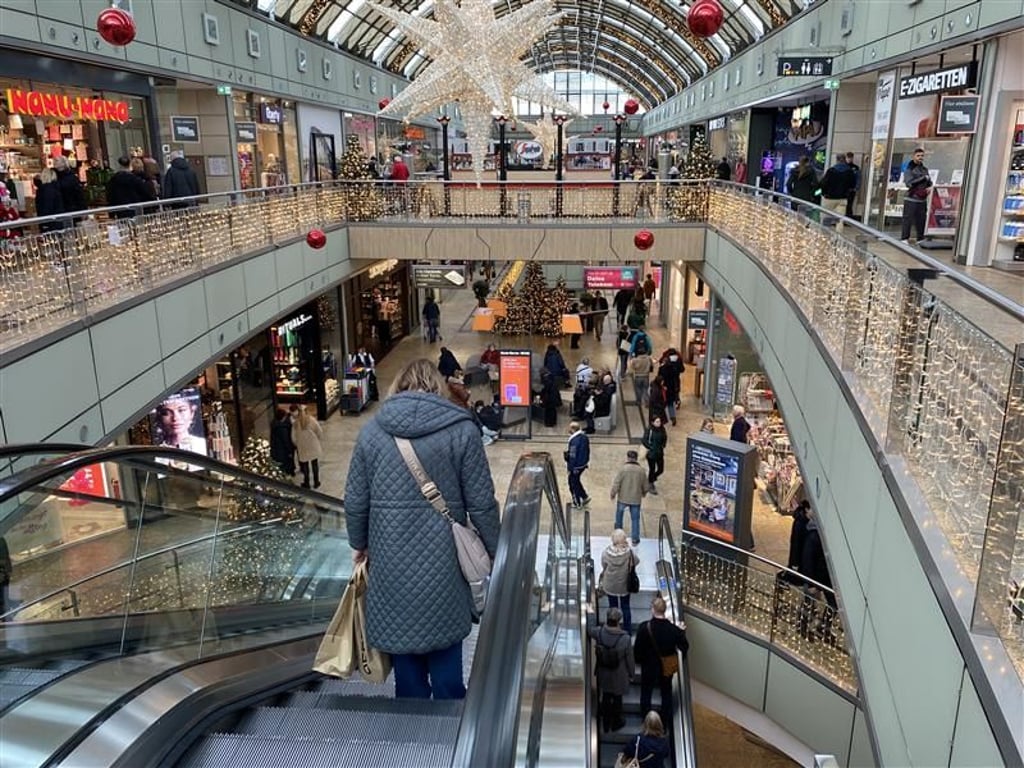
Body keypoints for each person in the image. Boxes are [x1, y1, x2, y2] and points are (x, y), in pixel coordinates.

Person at [345, 359, 500, 700]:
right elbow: (481, 503)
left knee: (405, 652)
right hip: (444, 562)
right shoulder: (462, 430)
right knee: (445, 649)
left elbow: (355, 500)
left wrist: (360, 543)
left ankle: (412, 716)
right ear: (438, 387)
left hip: (390, 562)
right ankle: (450, 715)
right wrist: (495, 547)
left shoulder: (372, 432)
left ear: (398, 386)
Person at [634, 596, 689, 724]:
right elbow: (684, 647)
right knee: (666, 692)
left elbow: (637, 649)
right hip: (666, 667)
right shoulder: (674, 630)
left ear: (653, 609)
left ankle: (646, 719)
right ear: (664, 610)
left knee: (646, 692)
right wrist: (681, 634)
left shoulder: (644, 627)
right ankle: (664, 721)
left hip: (649, 667)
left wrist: (639, 660)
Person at [589, 606, 634, 733]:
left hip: (603, 672)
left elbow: (589, 629)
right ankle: (616, 722)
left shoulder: (599, 633)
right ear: (619, 621)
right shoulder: (625, 638)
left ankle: (605, 723)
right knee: (618, 698)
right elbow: (630, 659)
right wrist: (631, 674)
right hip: (619, 674)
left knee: (606, 696)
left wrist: (590, 612)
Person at [600, 529, 639, 632]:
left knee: (612, 607)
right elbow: (636, 561)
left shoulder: (606, 553)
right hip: (624, 585)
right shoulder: (629, 553)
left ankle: (612, 629)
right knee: (625, 607)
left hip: (611, 585)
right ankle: (627, 631)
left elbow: (604, 565)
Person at [610, 452, 649, 546]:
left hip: (623, 498)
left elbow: (617, 483)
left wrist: (613, 493)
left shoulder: (623, 469)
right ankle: (635, 539)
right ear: (636, 458)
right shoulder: (641, 471)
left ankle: (617, 537)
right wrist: (644, 493)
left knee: (619, 518)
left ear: (628, 458)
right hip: (636, 499)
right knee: (635, 519)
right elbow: (646, 486)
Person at [817, 153, 856, 233]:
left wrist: (823, 193)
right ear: (845, 160)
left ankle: (825, 235)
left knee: (826, 218)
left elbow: (823, 184)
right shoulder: (850, 171)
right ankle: (838, 237)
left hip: (829, 198)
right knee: (840, 220)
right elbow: (853, 185)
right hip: (842, 199)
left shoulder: (831, 171)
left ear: (837, 160)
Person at [901, 147, 932, 245]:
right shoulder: (909, 169)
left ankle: (920, 238)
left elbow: (929, 182)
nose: (920, 157)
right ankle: (904, 238)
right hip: (911, 198)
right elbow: (909, 183)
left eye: (922, 156)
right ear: (913, 156)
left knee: (921, 219)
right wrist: (923, 178)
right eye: (918, 156)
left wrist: (929, 186)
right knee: (908, 219)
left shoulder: (924, 169)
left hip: (922, 199)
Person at [291, 404, 323, 489]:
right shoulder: (312, 420)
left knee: (305, 465)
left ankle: (307, 482)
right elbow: (319, 431)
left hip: (302, 447)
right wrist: (317, 439)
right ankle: (316, 482)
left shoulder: (296, 423)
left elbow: (293, 437)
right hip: (313, 445)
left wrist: (297, 444)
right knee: (314, 464)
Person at [565, 421, 591, 508]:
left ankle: (577, 502)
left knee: (572, 483)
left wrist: (570, 468)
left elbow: (573, 456)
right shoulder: (584, 437)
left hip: (576, 466)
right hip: (583, 464)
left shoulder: (574, 441)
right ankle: (584, 496)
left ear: (573, 429)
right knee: (576, 480)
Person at [642, 415, 668, 495]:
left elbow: (665, 437)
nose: (659, 423)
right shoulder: (649, 430)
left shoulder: (662, 429)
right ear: (653, 422)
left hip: (659, 452)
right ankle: (651, 483)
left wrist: (663, 445)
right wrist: (650, 447)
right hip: (651, 454)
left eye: (659, 421)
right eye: (657, 422)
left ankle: (652, 478)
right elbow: (644, 440)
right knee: (652, 469)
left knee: (661, 469)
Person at [269, 406, 296, 477]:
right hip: (283, 452)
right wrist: (290, 451)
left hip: (276, 450)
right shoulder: (282, 428)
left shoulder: (274, 424)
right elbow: (286, 441)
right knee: (285, 467)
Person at [658, 350, 682, 426]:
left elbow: (659, 378)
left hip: (664, 388)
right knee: (671, 404)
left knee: (662, 404)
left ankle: (661, 418)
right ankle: (673, 418)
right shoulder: (673, 368)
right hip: (671, 388)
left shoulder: (662, 368)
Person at [844, 151, 861, 218]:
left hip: (851, 189)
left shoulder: (855, 168)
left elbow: (858, 178)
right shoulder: (843, 166)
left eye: (850, 158)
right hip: (843, 189)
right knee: (843, 204)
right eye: (848, 158)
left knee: (849, 205)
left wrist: (856, 188)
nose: (849, 159)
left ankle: (849, 218)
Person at [0, 534, 12, 618]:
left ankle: (6, 616)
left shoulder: (1, 540)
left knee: (3, 597)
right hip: (4, 574)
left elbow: (4, 560)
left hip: (3, 575)